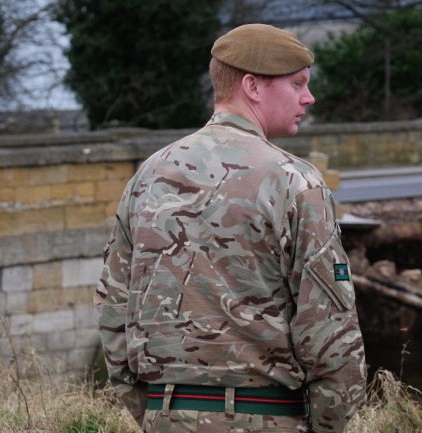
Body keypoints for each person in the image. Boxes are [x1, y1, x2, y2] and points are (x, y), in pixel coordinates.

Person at [94, 23, 367, 432]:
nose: (308, 97)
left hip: (167, 417)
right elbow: (330, 332)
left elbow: (114, 308)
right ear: (253, 87)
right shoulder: (295, 181)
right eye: (297, 84)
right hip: (269, 418)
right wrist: (327, 425)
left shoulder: (147, 176)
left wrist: (153, 411)